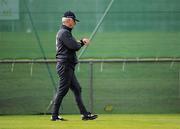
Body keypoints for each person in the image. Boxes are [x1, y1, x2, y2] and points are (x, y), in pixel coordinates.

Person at [51, 11, 98, 121]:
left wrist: (79, 42)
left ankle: (84, 114)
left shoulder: (65, 32)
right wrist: (82, 42)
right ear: (68, 20)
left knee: (77, 88)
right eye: (74, 21)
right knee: (62, 91)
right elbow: (74, 46)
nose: (75, 24)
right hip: (65, 65)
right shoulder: (64, 32)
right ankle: (54, 116)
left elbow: (73, 44)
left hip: (67, 66)